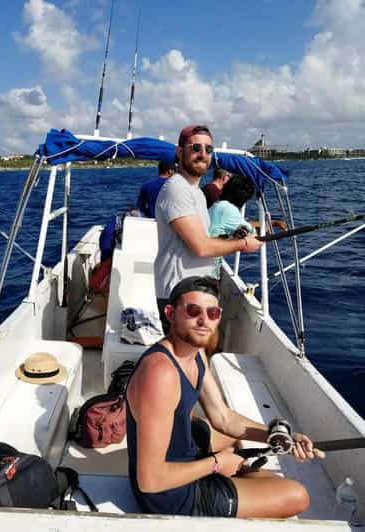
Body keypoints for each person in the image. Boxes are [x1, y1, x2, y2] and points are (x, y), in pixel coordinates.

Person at [126, 275, 325, 518]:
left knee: (221, 434)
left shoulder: (195, 353)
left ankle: (236, 474)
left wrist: (280, 436)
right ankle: (233, 477)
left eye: (213, 313)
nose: (203, 321)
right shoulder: (160, 374)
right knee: (298, 495)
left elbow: (224, 417)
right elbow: (150, 481)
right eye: (193, 310)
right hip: (171, 497)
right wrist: (217, 464)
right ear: (170, 313)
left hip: (185, 456)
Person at [154, 124, 263, 324]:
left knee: (195, 354)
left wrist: (231, 239)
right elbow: (201, 247)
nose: (202, 154)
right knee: (184, 355)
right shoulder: (177, 189)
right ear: (179, 152)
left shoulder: (196, 192)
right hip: (180, 294)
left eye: (208, 149)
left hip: (196, 292)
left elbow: (204, 238)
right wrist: (243, 244)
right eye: (195, 148)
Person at [209, 174, 287, 277]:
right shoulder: (229, 210)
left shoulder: (217, 206)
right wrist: (273, 224)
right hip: (206, 271)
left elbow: (244, 224)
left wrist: (273, 222)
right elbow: (253, 234)